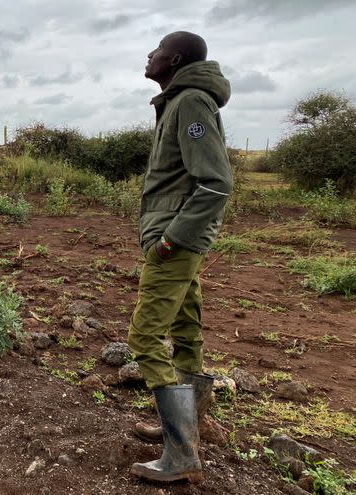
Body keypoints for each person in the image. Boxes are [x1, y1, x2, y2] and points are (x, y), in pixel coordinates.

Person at [127, 31, 233, 483]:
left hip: (175, 242)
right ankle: (185, 427)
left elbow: (215, 182)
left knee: (145, 337)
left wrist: (171, 238)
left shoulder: (189, 103)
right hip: (176, 238)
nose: (148, 55)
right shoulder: (178, 102)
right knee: (186, 330)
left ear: (174, 58)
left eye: (156, 49)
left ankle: (181, 453)